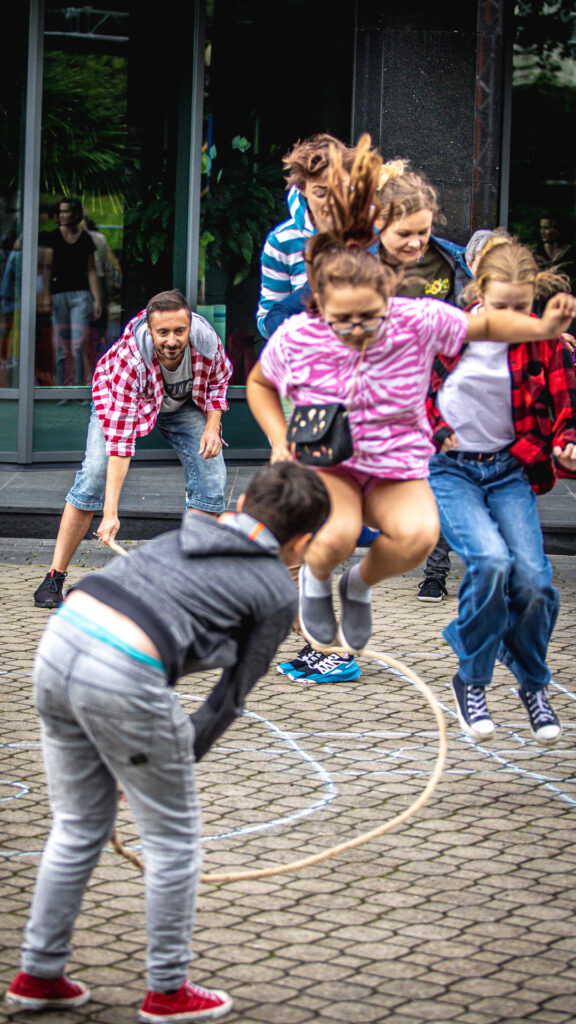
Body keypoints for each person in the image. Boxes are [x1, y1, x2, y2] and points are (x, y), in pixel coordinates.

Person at [6, 461, 330, 1022]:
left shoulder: (187, 530)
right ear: (302, 540)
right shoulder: (277, 592)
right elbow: (226, 702)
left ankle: (38, 975)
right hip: (122, 672)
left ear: (246, 505)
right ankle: (167, 989)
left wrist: (136, 760)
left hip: (59, 644)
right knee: (174, 841)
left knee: (78, 826)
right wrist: (166, 762)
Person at [246, 135, 576, 655]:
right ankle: (308, 595)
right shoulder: (304, 318)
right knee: (333, 533)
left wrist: (540, 330)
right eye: (344, 319)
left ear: (389, 301)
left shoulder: (416, 312)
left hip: (394, 454)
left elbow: (482, 322)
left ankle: (356, 587)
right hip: (329, 447)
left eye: (368, 318)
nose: (357, 328)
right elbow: (261, 379)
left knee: (419, 536)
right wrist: (280, 436)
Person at [426, 240, 576, 745]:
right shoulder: (449, 333)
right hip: (452, 471)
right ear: (478, 291)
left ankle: (532, 685)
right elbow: (414, 391)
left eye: (523, 307)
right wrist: (435, 428)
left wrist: (567, 444)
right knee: (489, 562)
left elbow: (565, 411)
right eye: (501, 306)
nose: (513, 317)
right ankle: (471, 677)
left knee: (534, 579)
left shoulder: (547, 343)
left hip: (510, 469)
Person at [33, 289, 232, 609]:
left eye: (179, 331)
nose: (172, 340)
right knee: (94, 474)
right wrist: (110, 514)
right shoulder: (131, 360)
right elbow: (120, 443)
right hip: (121, 400)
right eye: (163, 332)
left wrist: (211, 427)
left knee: (212, 477)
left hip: (181, 406)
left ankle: (186, 580)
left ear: (189, 328)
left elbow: (218, 383)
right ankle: (54, 576)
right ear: (149, 329)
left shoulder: (205, 340)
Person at [257, 133, 360, 684]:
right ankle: (321, 640)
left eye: (337, 189)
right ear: (301, 188)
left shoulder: (372, 236)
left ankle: (331, 647)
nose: (329, 200)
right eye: (318, 190)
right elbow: (265, 321)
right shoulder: (283, 241)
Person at [256, 133, 355, 338]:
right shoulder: (281, 241)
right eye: (321, 193)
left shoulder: (376, 232)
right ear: (302, 189)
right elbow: (267, 317)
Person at [42, 197, 102, 386]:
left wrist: (97, 299)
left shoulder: (85, 238)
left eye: (67, 211)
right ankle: (62, 387)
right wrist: (45, 295)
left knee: (80, 342)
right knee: (61, 344)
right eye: (60, 212)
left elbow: (91, 269)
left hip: (81, 295)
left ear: (76, 214)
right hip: (57, 294)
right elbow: (46, 268)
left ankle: (79, 386)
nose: (63, 215)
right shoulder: (52, 237)